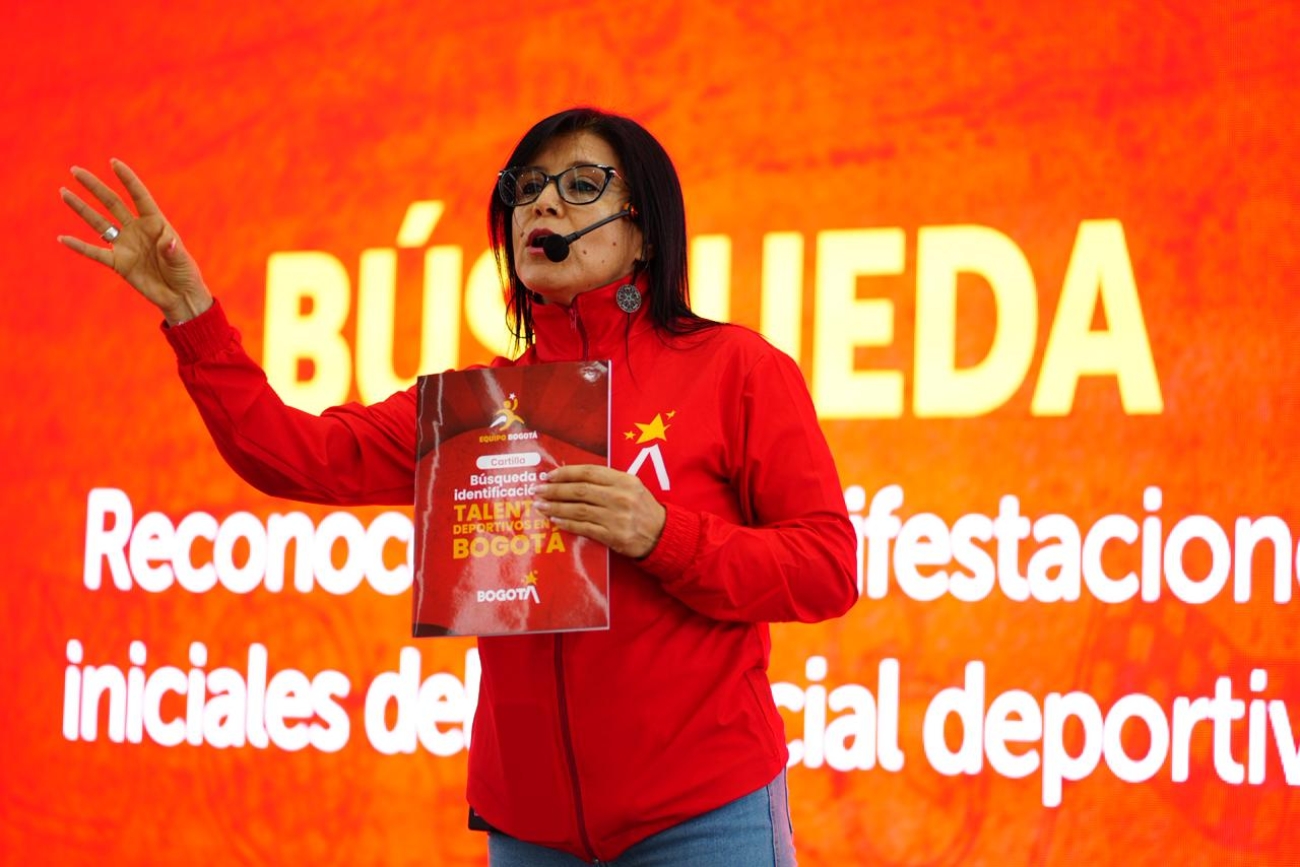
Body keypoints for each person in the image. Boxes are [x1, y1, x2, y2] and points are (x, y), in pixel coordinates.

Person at [59, 107, 859, 866]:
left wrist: (664, 535)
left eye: (581, 184)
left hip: (704, 815)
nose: (543, 202)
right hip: (531, 832)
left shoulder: (736, 368)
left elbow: (828, 567)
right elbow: (291, 453)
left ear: (644, 229)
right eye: (527, 186)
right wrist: (190, 311)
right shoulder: (478, 405)